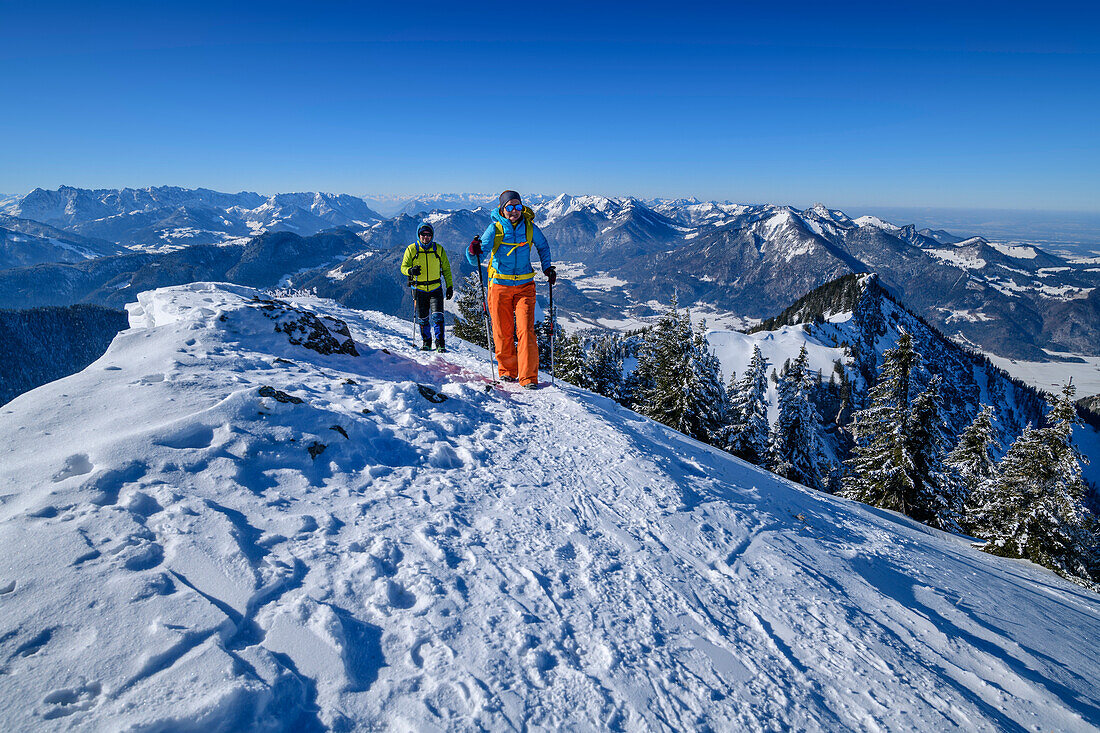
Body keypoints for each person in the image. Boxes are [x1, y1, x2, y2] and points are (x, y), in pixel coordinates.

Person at [467, 190, 556, 388]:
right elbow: (476, 255)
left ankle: (528, 378)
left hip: (525, 286)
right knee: (502, 331)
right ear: (502, 209)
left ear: (522, 207)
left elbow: (543, 247)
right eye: (510, 207)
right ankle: (507, 372)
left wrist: (547, 267)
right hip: (499, 286)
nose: (514, 211)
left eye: (517, 206)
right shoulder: (495, 228)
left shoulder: (530, 227)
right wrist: (472, 250)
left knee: (526, 331)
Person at [401, 222, 454, 352]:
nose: (425, 237)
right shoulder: (411, 249)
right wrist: (410, 271)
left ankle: (440, 343)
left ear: (432, 235)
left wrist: (449, 286)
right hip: (419, 289)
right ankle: (426, 343)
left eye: (428, 234)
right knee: (423, 318)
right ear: (418, 235)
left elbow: (446, 269)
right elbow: (403, 267)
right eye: (423, 234)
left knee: (438, 317)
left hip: (435, 288)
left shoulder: (438, 249)